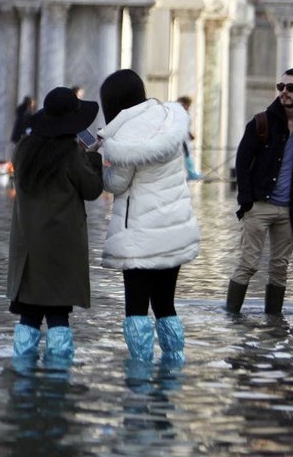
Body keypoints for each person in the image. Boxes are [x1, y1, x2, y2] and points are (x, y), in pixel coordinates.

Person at [98, 69, 200, 367]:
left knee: (137, 308)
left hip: (140, 236)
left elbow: (116, 184)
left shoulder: (125, 135)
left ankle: (140, 371)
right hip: (174, 228)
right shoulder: (170, 117)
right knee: (166, 304)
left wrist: (99, 164)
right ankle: (174, 364)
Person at [9, 87, 103, 368]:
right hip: (62, 246)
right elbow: (92, 189)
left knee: (29, 313)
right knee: (59, 312)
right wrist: (93, 157)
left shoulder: (23, 149)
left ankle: (22, 373)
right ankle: (58, 376)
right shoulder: (71, 153)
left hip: (28, 246)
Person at [226, 68, 293, 316]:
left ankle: (274, 323)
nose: (284, 92)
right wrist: (246, 201)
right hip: (259, 205)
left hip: (291, 210)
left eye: (290, 88)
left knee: (280, 268)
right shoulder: (261, 122)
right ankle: (231, 320)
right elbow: (242, 162)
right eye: (281, 87)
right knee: (247, 264)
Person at [176, 96, 202, 180]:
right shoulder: (179, 114)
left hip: (184, 140)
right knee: (185, 156)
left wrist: (190, 135)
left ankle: (190, 173)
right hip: (181, 140)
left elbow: (186, 128)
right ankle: (190, 173)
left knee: (187, 156)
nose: (186, 107)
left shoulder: (184, 114)